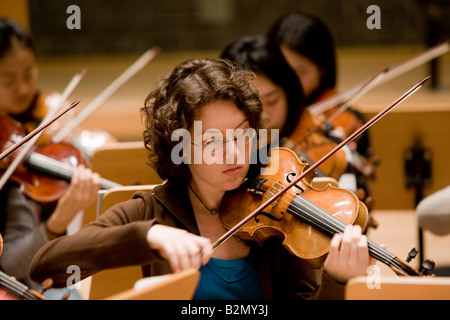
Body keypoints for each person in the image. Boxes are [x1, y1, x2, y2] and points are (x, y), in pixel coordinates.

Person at [30, 58, 376, 300]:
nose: (235, 153)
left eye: (243, 135)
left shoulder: (275, 212)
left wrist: (336, 280)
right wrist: (149, 234)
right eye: (213, 141)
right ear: (179, 146)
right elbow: (46, 266)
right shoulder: (153, 211)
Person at [0, 18, 100, 299]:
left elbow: (92, 149)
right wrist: (59, 220)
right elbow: (12, 264)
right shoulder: (13, 177)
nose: (23, 88)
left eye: (29, 72)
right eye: (8, 79)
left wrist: (77, 140)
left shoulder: (49, 117)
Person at [267, 12, 378, 214]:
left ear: (323, 69)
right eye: (284, 70)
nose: (290, 81)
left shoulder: (347, 120)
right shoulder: (262, 113)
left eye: (300, 72)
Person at [220, 34, 348, 181]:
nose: (263, 117)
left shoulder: (319, 135)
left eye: (272, 101)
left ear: (289, 93)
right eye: (249, 104)